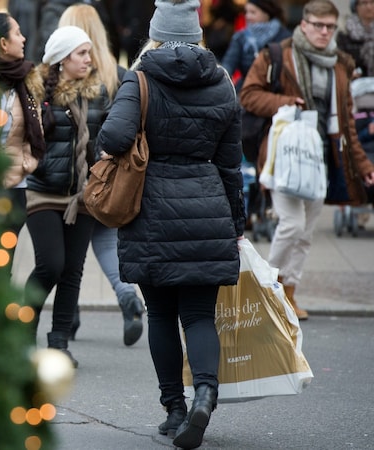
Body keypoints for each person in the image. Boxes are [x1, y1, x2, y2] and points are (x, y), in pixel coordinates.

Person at [96, 0, 245, 447]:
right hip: (207, 207)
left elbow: (113, 137)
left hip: (150, 210)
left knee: (160, 313)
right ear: (197, 36)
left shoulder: (139, 78)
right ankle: (204, 394)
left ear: (155, 35)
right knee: (199, 315)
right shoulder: (221, 83)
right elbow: (231, 164)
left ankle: (173, 409)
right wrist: (236, 224)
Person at [240, 0, 374, 321]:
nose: (324, 32)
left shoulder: (341, 64)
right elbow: (248, 95)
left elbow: (345, 123)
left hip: (321, 159)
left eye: (329, 27)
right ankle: (267, 287)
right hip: (284, 155)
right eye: (317, 25)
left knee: (306, 233)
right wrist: (286, 102)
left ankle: (289, 293)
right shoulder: (277, 55)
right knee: (292, 224)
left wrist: (364, 166)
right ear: (304, 25)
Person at [57, 2, 144, 346]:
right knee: (105, 239)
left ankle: (70, 315)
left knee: (69, 253)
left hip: (69, 179)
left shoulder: (64, 77)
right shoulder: (118, 74)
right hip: (108, 177)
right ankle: (127, 297)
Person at [24, 25, 111, 367]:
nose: (88, 59)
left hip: (83, 195)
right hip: (43, 192)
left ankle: (58, 343)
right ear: (61, 59)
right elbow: (25, 137)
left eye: (89, 52)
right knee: (51, 265)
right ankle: (22, 336)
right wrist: (37, 166)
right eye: (81, 53)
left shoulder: (97, 94)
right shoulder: (35, 93)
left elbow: (103, 137)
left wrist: (104, 155)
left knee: (73, 270)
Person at [0, 12, 46, 246]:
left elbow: (35, 129)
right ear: (3, 44)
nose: (24, 38)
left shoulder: (27, 81)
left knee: (3, 258)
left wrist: (28, 163)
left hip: (17, 186)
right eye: (17, 33)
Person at [221, 0, 292, 93]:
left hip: (277, 92)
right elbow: (228, 65)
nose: (247, 16)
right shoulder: (240, 38)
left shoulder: (284, 37)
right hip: (246, 90)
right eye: (246, 12)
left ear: (266, 13)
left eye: (253, 12)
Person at [337, 0, 374, 77]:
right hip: (356, 81)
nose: (369, 7)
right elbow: (340, 58)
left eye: (372, 2)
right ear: (356, 6)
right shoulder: (345, 30)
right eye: (364, 3)